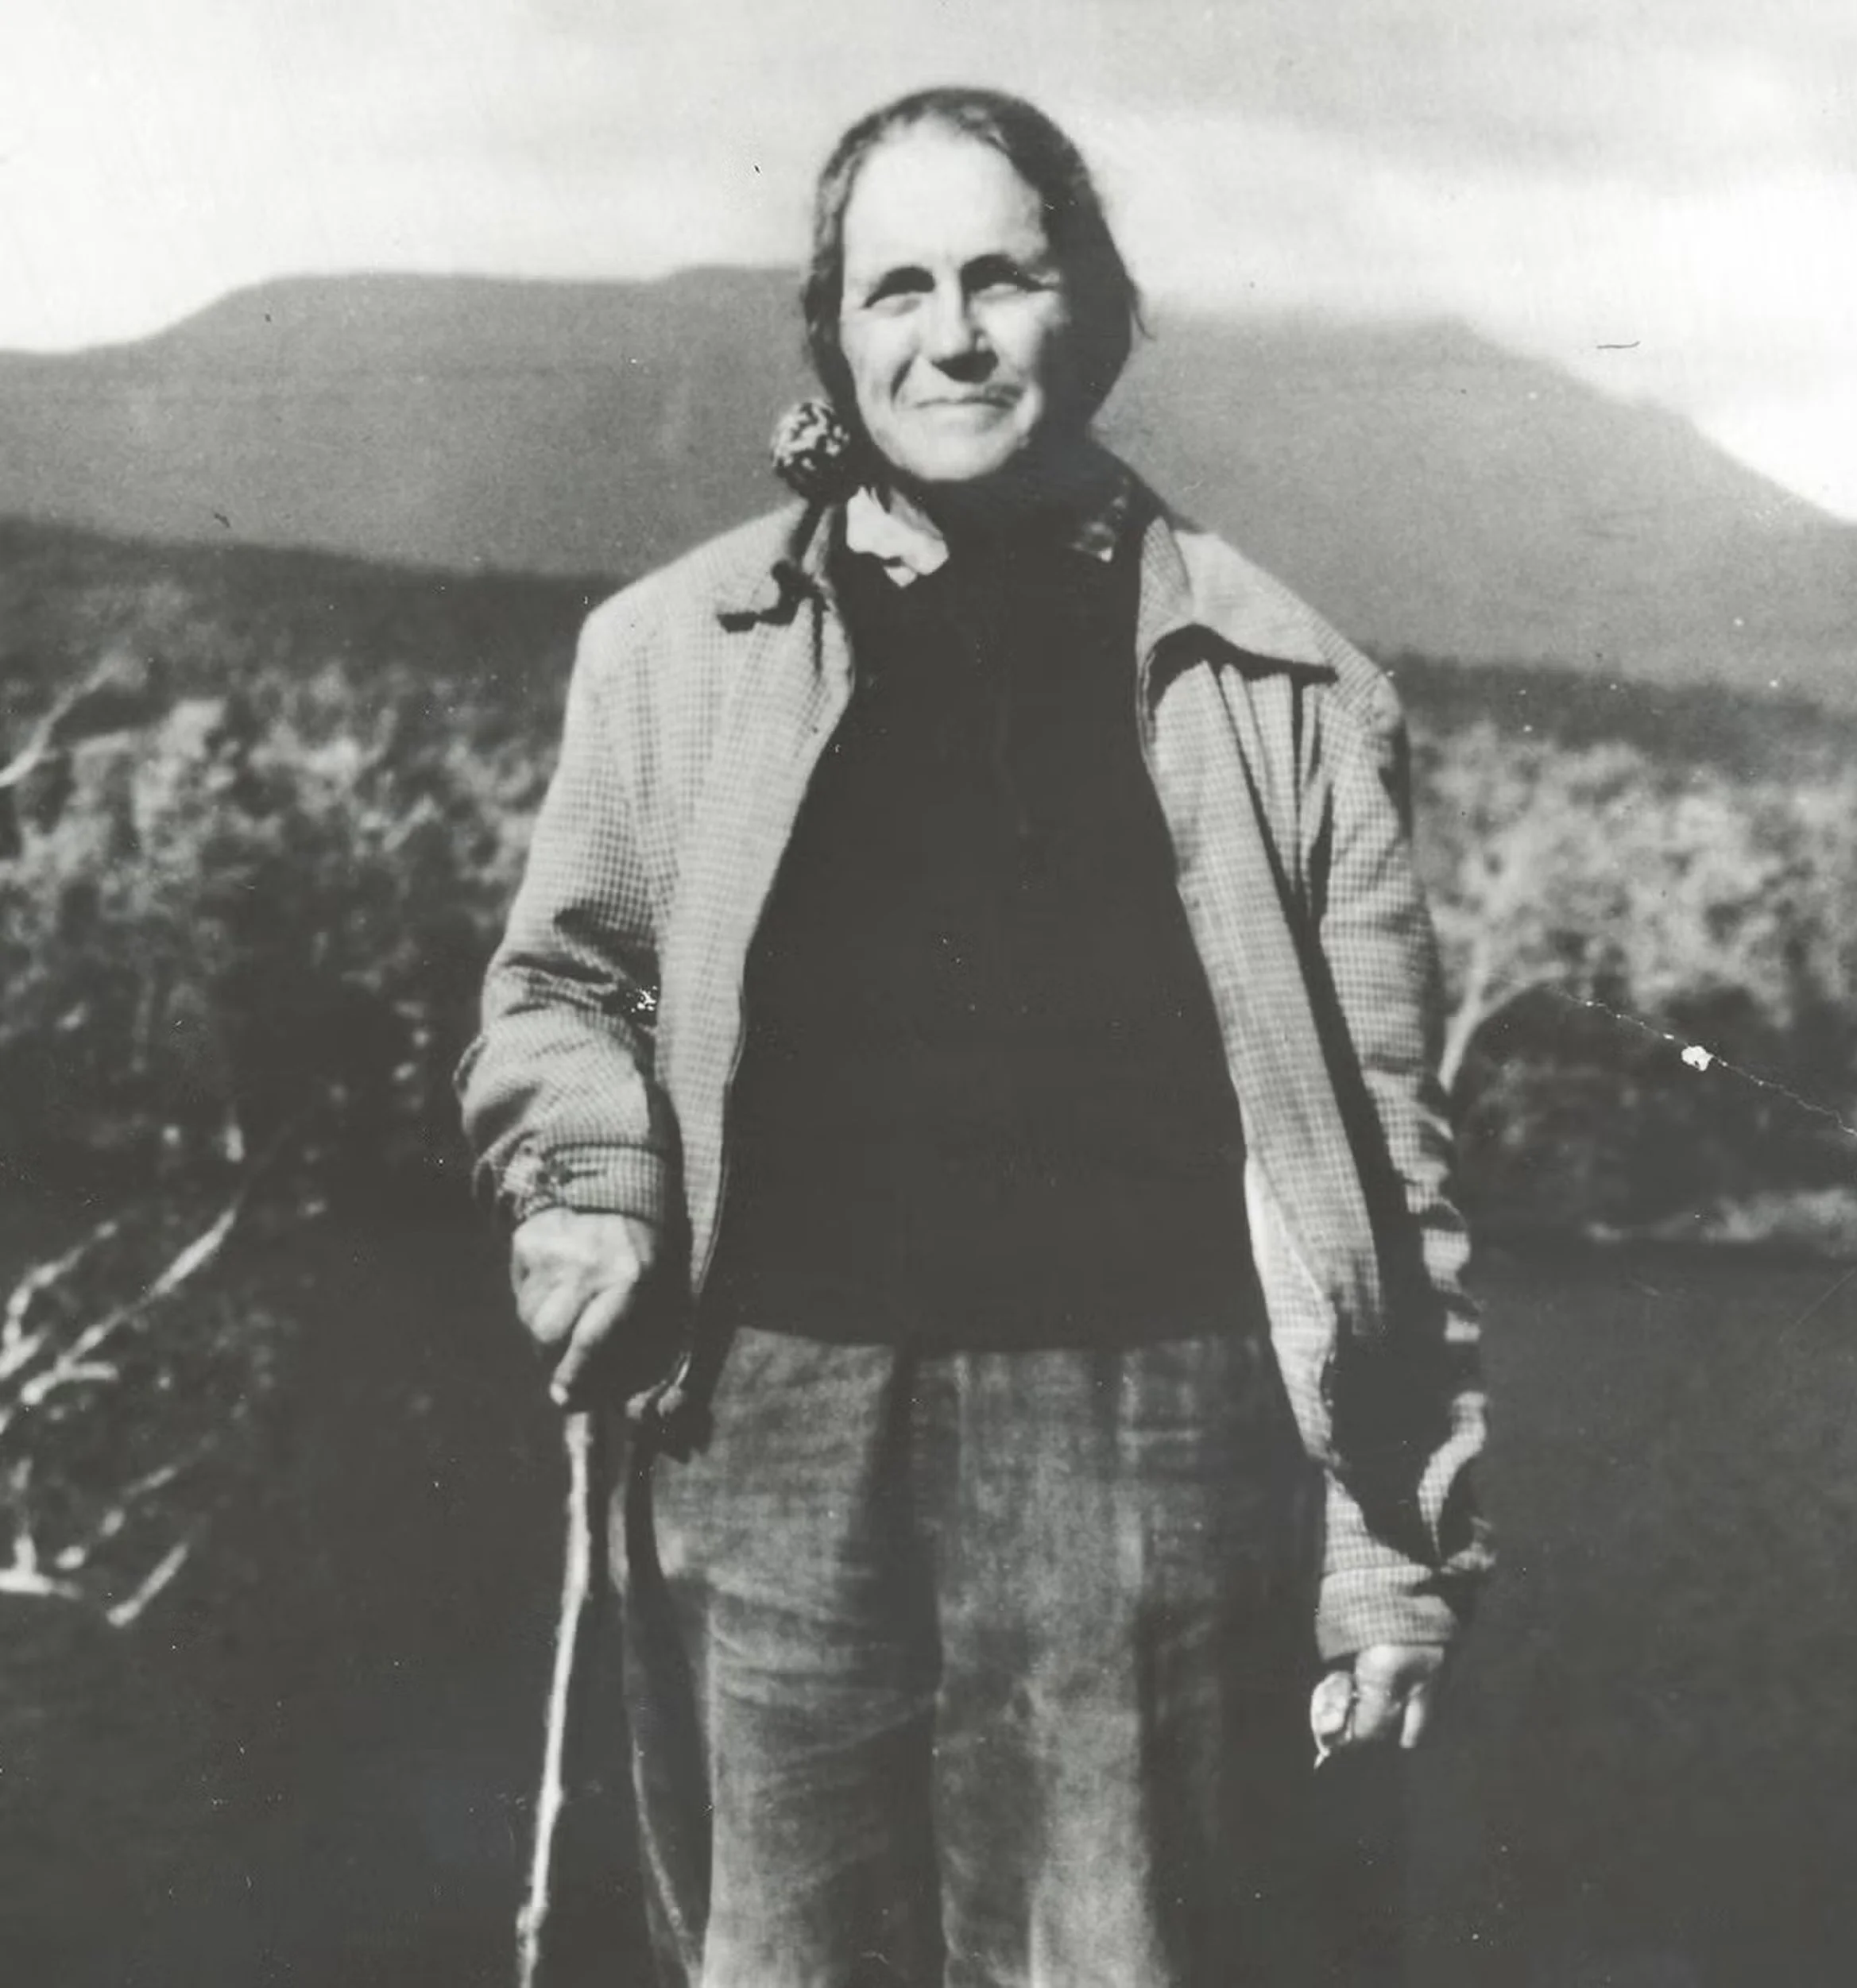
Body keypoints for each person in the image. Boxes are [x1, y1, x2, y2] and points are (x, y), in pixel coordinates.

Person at [458, 84, 1490, 1988]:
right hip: (768, 1427)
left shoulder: (1289, 686)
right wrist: (590, 1185)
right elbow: (563, 986)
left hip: (1155, 1435)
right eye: (895, 288)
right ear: (833, 335)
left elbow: (1381, 1158)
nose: (949, 335)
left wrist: (1390, 1540)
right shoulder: (672, 652)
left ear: (1090, 311)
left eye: (1000, 279)